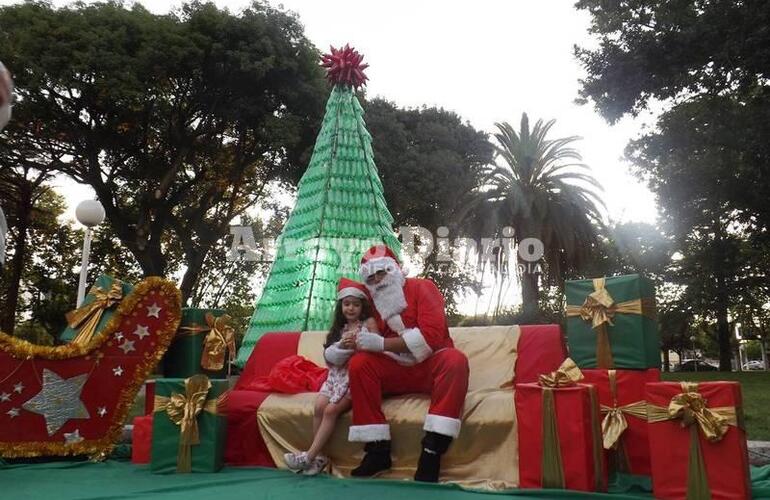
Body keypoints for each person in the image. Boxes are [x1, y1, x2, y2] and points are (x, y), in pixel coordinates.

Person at [348, 245, 470, 482]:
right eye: (370, 277)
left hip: (429, 367)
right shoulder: (370, 303)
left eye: (381, 273)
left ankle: (432, 450)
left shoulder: (423, 287)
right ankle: (377, 450)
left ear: (395, 270)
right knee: (360, 364)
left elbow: (433, 337)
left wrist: (382, 344)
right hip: (395, 370)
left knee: (455, 361)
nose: (377, 280)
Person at [284, 277, 378, 475]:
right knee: (319, 406)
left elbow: (376, 348)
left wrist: (358, 346)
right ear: (341, 306)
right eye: (346, 304)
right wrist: (340, 347)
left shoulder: (368, 324)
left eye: (355, 304)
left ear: (362, 306)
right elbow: (329, 357)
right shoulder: (339, 329)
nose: (350, 308)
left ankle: (308, 456)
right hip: (334, 378)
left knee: (330, 411)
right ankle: (319, 457)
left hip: (354, 380)